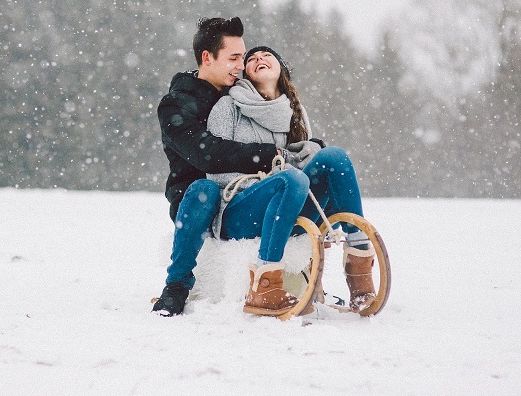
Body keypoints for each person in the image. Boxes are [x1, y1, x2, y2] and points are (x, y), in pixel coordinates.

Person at [206, 45, 376, 313]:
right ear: (246, 73)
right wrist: (269, 180)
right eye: (252, 59)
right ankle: (265, 284)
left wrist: (307, 155)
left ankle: (358, 265)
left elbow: (298, 168)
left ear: (281, 68)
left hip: (287, 203)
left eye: (267, 56)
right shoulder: (228, 106)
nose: (259, 58)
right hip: (240, 209)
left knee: (334, 157)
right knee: (290, 179)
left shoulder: (294, 110)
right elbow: (215, 166)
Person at [152, 17, 282, 316]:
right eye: (233, 58)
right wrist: (268, 154)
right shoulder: (175, 105)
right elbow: (207, 154)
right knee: (205, 188)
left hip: (242, 195)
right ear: (207, 58)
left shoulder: (239, 95)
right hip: (196, 203)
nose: (241, 65)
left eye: (242, 57)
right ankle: (177, 285)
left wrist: (301, 147)